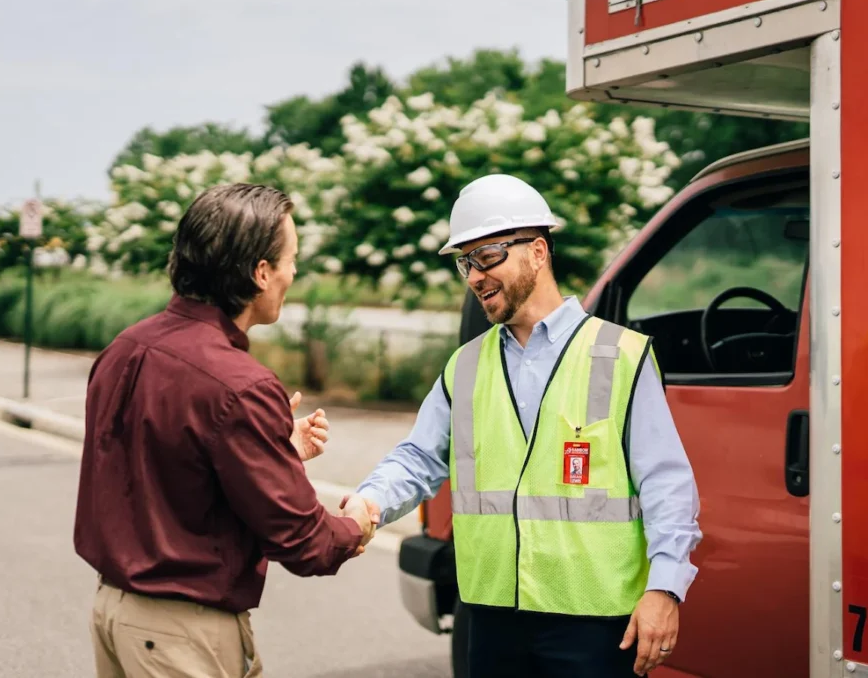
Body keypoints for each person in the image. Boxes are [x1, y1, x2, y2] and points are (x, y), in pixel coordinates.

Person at [350, 174, 703, 677]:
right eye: (464, 261)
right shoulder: (465, 365)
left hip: (595, 625)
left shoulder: (620, 355)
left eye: (487, 256)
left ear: (537, 252)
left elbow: (667, 483)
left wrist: (665, 587)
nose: (473, 275)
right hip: (492, 621)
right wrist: (369, 501)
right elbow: (419, 457)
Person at [73, 183, 379, 678]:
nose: (293, 273)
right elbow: (302, 541)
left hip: (114, 614)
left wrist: (275, 452)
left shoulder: (124, 349)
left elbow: (165, 468)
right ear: (261, 273)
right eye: (291, 260)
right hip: (180, 634)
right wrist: (358, 523)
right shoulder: (241, 385)